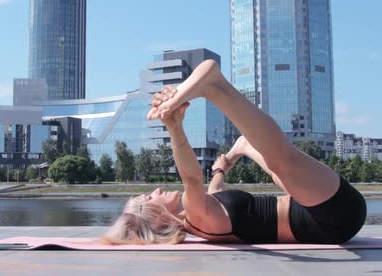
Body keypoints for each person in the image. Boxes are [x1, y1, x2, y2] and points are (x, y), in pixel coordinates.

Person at [102, 60, 366, 245]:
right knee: (282, 163)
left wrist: (222, 167)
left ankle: (232, 122)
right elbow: (192, 179)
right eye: (150, 196)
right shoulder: (196, 217)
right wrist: (175, 128)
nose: (156, 190)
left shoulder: (206, 210)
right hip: (332, 217)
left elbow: (214, 190)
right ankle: (214, 89)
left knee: (280, 169)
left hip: (316, 207)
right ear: (155, 217)